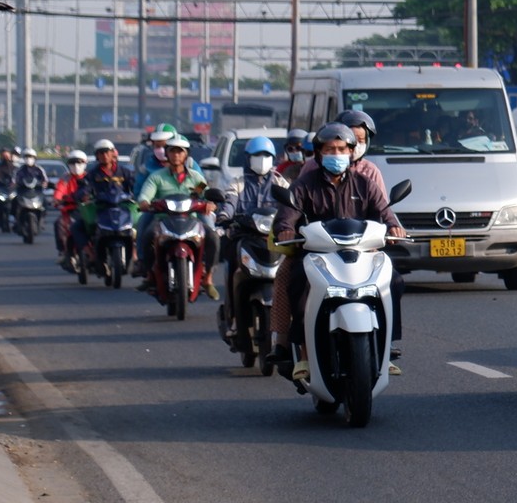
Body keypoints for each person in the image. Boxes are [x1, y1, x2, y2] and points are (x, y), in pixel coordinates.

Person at [270, 123, 407, 382]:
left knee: (395, 281)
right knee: (298, 284)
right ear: (320, 153)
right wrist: (286, 230)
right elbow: (287, 217)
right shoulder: (304, 185)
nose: (336, 154)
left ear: (351, 151)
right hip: (317, 256)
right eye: (330, 149)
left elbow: (387, 214)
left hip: (361, 255)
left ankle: (386, 347)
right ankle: (305, 356)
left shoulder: (365, 184)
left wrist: (394, 228)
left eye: (342, 149)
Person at [216, 136, 289, 350]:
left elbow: (291, 203)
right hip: (244, 237)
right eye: (257, 155)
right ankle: (234, 319)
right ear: (248, 159)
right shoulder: (237, 183)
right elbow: (229, 202)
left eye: (266, 155)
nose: (262, 159)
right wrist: (224, 217)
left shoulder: (279, 182)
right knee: (232, 271)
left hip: (275, 240)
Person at [132, 134, 216, 299]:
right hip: (163, 219)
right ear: (167, 153)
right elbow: (145, 195)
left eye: (180, 151)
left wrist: (210, 203)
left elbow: (204, 194)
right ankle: (149, 274)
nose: (176, 155)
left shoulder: (195, 178)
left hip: (191, 219)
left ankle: (208, 276)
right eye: (172, 151)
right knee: (146, 233)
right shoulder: (157, 177)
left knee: (213, 236)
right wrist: (144, 202)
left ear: (186, 155)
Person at [75, 139, 136, 261]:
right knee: (77, 227)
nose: (104, 156)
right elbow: (84, 188)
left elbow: (136, 187)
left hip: (122, 209)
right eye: (101, 153)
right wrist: (84, 195)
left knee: (141, 226)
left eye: (107, 152)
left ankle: (135, 252)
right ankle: (89, 253)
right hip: (100, 209)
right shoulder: (92, 175)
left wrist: (140, 197)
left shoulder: (125, 172)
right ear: (97, 156)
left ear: (113, 153)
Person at [52, 149, 91, 266]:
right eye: (72, 163)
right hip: (70, 211)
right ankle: (63, 252)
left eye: (79, 163)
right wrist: (57, 199)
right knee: (58, 224)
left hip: (88, 210)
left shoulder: (90, 178)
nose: (76, 166)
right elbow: (59, 190)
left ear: (85, 164)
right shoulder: (65, 178)